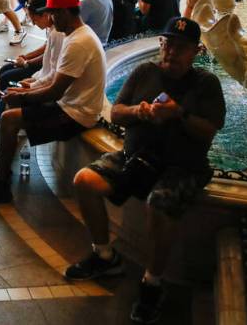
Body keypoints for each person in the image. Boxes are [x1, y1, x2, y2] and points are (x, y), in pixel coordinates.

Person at [64, 17, 225, 325]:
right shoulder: (144, 72)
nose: (172, 52)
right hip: (135, 157)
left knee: (159, 204)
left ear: (196, 51)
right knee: (84, 180)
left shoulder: (205, 83)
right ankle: (104, 255)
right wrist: (140, 111)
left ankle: (152, 282)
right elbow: (117, 112)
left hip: (181, 167)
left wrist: (179, 114)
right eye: (168, 44)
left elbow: (208, 131)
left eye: (181, 47)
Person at [0, 0, 108, 205]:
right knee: (10, 105)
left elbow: (54, 91)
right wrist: (22, 92)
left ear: (65, 13)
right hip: (69, 105)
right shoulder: (76, 35)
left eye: (53, 14)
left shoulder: (79, 42)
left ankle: (1, 184)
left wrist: (22, 95)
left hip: (76, 114)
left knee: (10, 117)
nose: (50, 19)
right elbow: (53, 79)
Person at [0, 0, 57, 167]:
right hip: (43, 78)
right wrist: (26, 61)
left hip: (55, 95)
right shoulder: (57, 30)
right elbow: (49, 59)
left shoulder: (63, 34)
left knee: (8, 88)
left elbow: (53, 76)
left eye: (33, 18)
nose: (33, 22)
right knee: (7, 77)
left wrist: (29, 81)